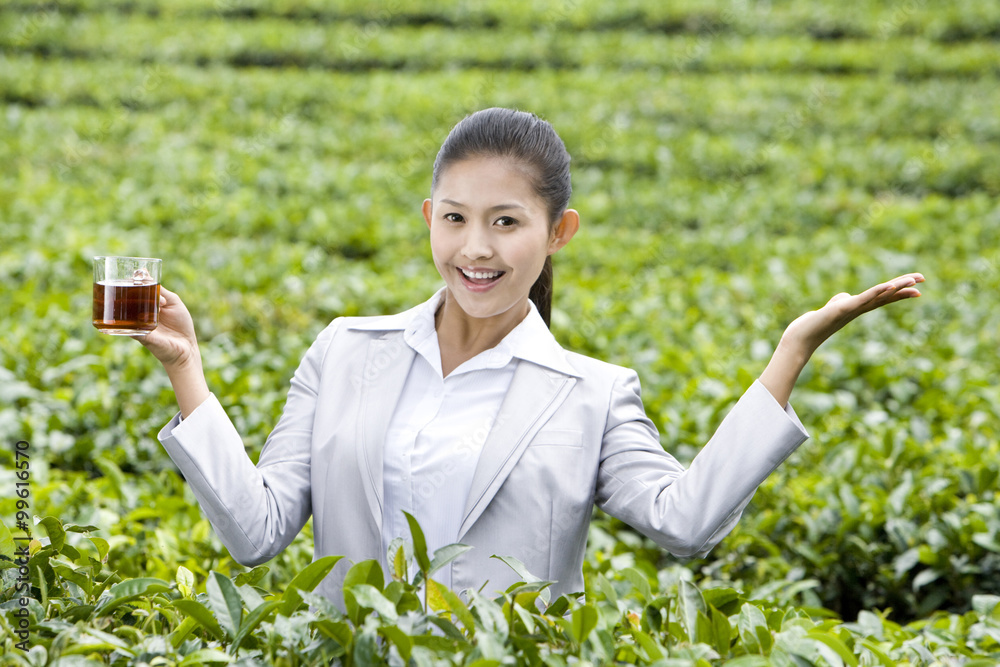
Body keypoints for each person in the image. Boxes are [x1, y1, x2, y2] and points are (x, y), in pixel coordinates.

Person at [138, 107, 924, 607]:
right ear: (429, 220)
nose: (476, 249)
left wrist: (793, 350)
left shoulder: (591, 392)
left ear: (558, 233)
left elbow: (684, 522)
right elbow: (257, 530)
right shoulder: (345, 350)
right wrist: (187, 372)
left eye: (507, 222)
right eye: (455, 218)